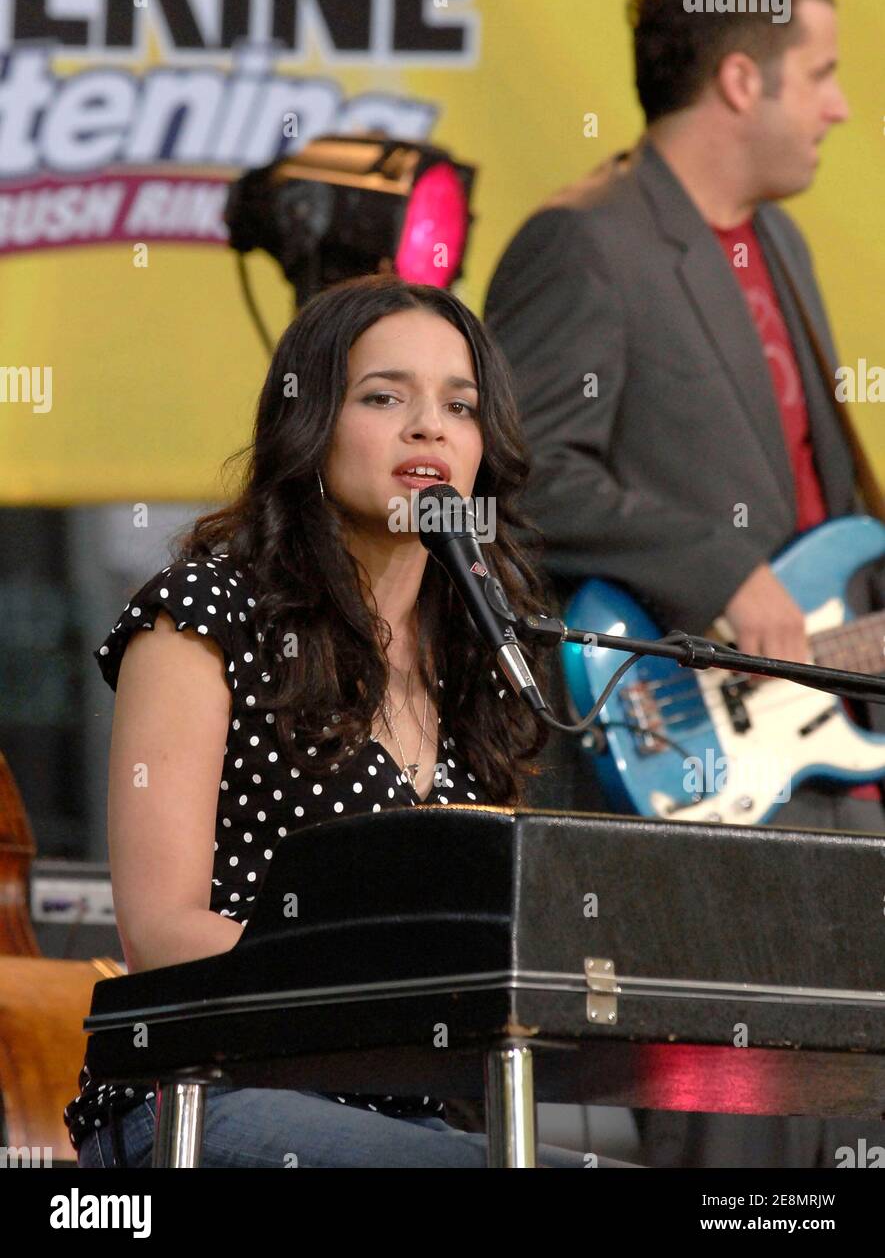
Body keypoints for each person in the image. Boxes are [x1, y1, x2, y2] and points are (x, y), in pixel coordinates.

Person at [65, 272, 637, 1168]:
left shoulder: (477, 654)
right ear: (311, 424)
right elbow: (161, 933)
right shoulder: (206, 611)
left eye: (459, 405)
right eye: (383, 397)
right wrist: (405, 979)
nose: (429, 427)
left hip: (409, 1116)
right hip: (201, 1099)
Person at [483, 0, 885, 1166]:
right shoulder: (587, 240)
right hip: (683, 770)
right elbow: (513, 470)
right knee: (734, 1143)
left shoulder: (782, 241)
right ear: (741, 78)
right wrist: (718, 571)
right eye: (820, 73)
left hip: (818, 766)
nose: (842, 106)